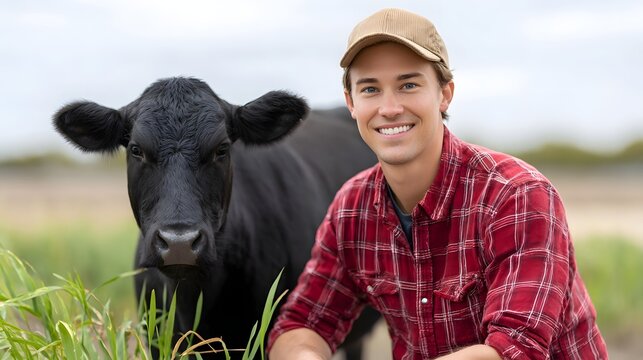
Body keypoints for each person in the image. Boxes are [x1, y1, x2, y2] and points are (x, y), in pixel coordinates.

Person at [267, 8, 608, 360]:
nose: (389, 107)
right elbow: (299, 324)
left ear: (445, 94)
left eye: (408, 85)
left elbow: (516, 350)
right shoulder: (352, 207)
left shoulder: (516, 195)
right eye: (370, 89)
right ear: (351, 103)